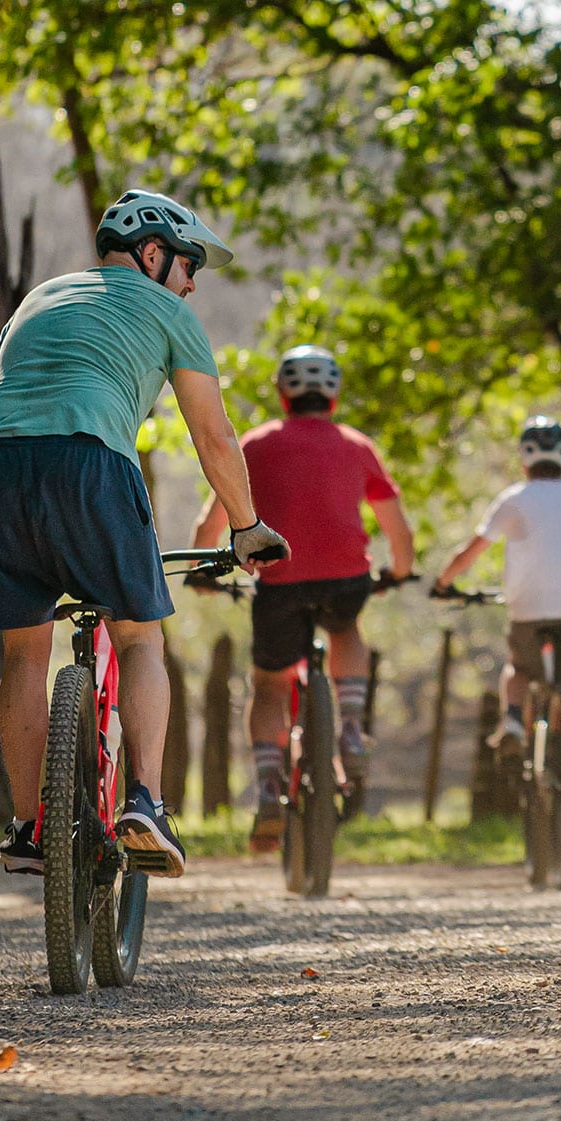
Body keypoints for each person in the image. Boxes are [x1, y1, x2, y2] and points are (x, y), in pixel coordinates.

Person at [0, 188, 288, 880]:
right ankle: (148, 804)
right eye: (188, 265)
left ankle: (29, 826)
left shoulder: (35, 301)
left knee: (24, 658)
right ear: (154, 254)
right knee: (138, 636)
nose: (189, 283)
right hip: (90, 465)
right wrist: (246, 526)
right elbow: (214, 437)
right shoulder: (166, 312)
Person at [189, 344, 416, 851]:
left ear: (282, 394)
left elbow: (212, 521)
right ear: (332, 395)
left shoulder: (255, 444)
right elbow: (397, 529)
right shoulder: (358, 445)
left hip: (279, 583)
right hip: (346, 577)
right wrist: (398, 572)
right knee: (346, 628)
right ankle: (352, 726)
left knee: (269, 686)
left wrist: (204, 570)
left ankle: (270, 785)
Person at [431, 417, 561, 815]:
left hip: (528, 609)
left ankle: (513, 719)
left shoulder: (513, 499)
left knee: (518, 667)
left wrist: (443, 583)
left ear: (524, 460)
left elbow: (470, 551)